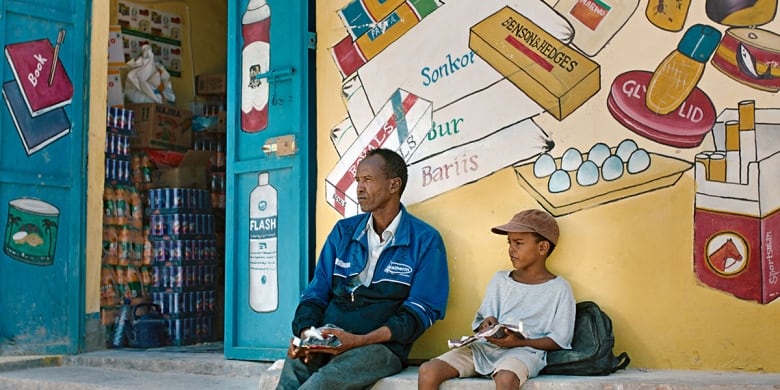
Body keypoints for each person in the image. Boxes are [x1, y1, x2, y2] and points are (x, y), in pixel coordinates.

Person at [276, 148, 450, 390]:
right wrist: (307, 333)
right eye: (357, 180)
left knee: (321, 384)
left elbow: (420, 313)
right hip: (331, 337)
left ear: (394, 185)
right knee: (293, 368)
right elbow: (315, 293)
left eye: (367, 180)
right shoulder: (343, 232)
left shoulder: (425, 240)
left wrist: (357, 341)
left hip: (380, 348)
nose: (358, 187)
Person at [417, 209, 575, 390]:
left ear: (542, 247)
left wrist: (519, 342)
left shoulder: (559, 289)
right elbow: (481, 322)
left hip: (523, 352)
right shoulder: (500, 280)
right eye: (509, 242)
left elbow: (560, 339)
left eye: (518, 243)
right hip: (484, 349)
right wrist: (487, 325)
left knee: (506, 379)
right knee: (428, 370)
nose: (511, 249)